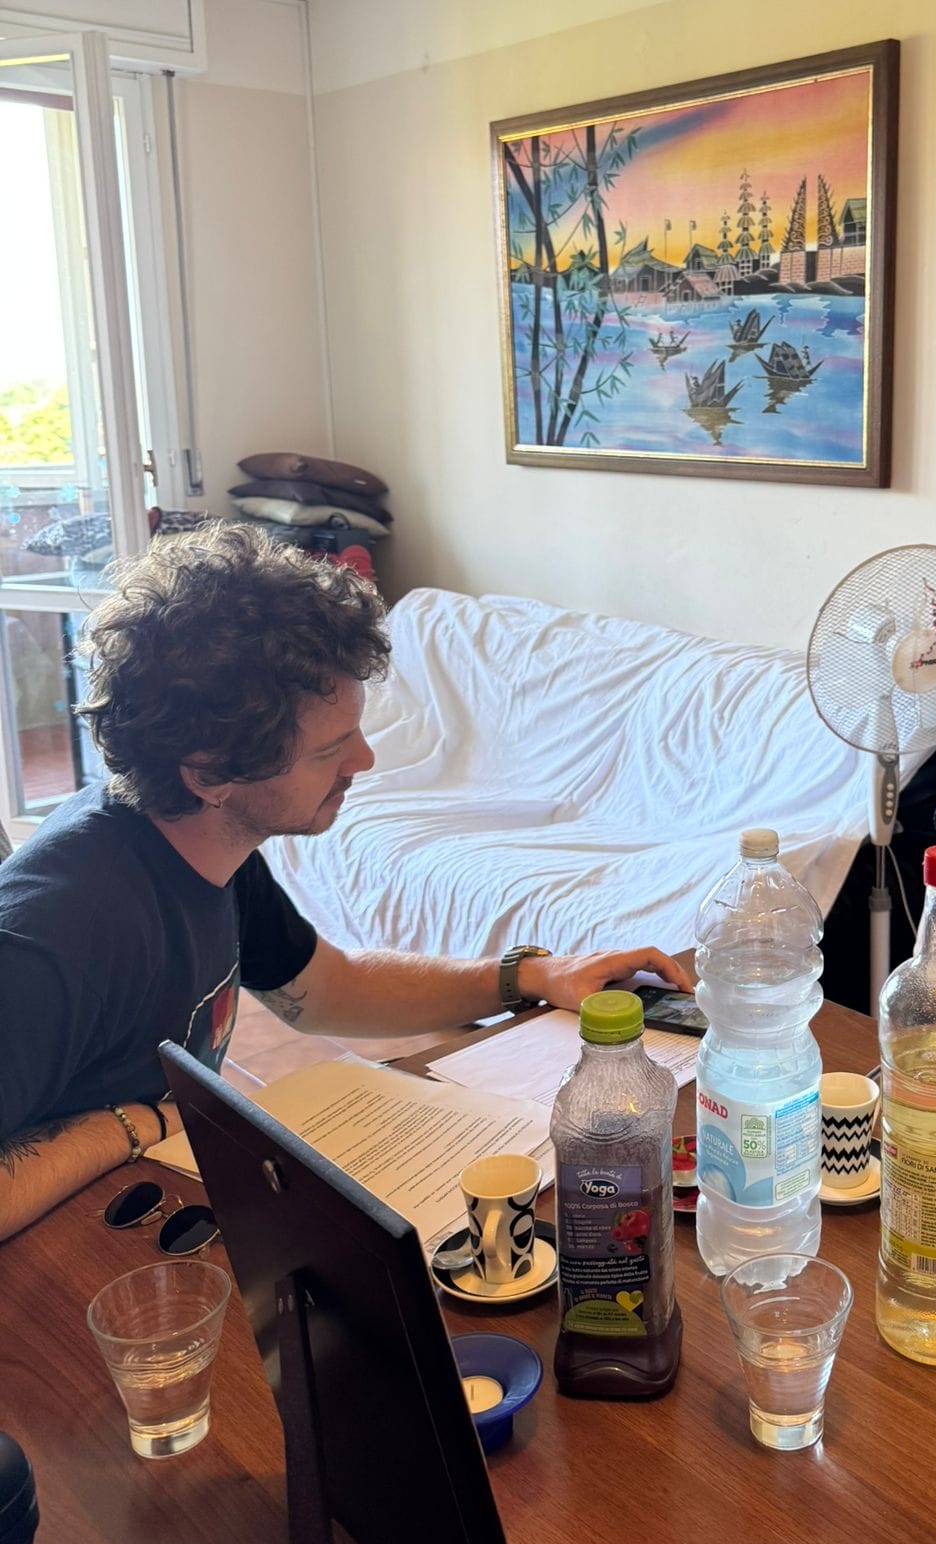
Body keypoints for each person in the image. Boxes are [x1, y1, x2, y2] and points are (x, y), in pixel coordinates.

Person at [0, 525, 691, 1242]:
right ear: (209, 772)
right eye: (329, 749)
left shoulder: (206, 844)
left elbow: (326, 987)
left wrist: (532, 976)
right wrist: (134, 1122)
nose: (363, 760)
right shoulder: (55, 935)